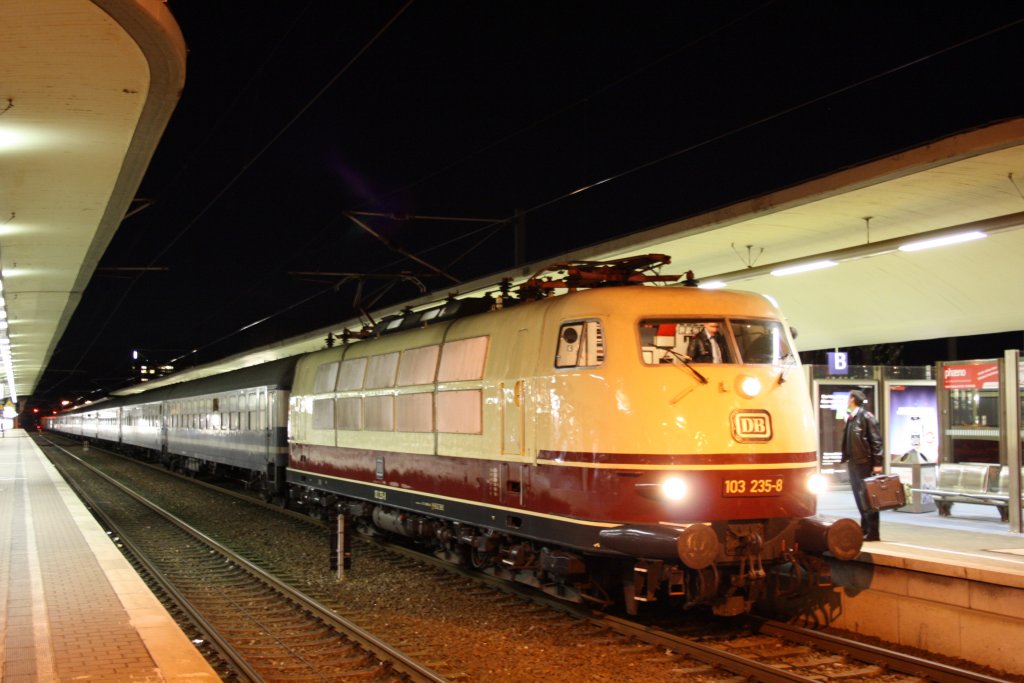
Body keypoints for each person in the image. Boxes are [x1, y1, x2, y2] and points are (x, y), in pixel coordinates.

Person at [840, 390, 884, 541]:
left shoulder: (866, 417)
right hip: (854, 463)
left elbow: (877, 442)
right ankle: (864, 528)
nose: (847, 401)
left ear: (852, 399)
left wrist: (877, 464)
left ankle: (873, 532)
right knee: (859, 498)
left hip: (865, 463)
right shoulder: (852, 418)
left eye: (848, 398)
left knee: (868, 497)